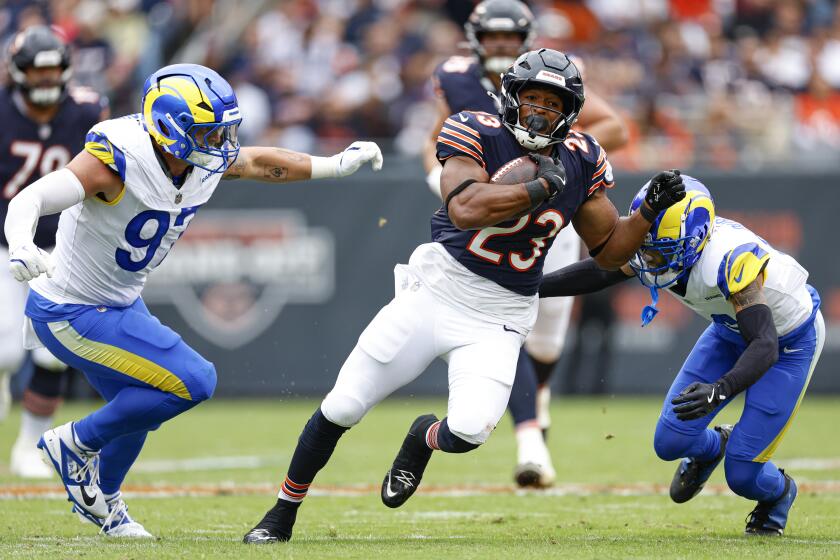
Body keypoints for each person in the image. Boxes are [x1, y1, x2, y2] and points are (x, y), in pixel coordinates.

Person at [242, 48, 685, 544]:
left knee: (470, 430)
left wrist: (646, 213)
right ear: (510, 98)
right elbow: (466, 208)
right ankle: (280, 513)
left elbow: (607, 252)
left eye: (553, 102)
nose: (540, 110)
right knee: (344, 405)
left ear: (571, 112)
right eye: (532, 97)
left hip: (502, 312)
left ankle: (422, 437)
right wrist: (537, 189)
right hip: (436, 289)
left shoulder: (582, 158)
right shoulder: (475, 129)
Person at [3, 62, 383, 538]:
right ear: (168, 127)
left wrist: (334, 165)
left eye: (223, 133)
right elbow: (28, 200)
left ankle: (106, 502)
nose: (222, 145)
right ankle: (75, 444)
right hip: (69, 308)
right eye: (209, 133)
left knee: (137, 404)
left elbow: (258, 162)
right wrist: (21, 243)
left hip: (116, 301)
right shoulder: (118, 156)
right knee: (195, 380)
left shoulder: (200, 159)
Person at [539, 176, 823, 536]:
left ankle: (779, 495)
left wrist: (720, 390)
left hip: (788, 344)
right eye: (645, 245)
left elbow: (765, 345)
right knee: (670, 441)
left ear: (694, 240)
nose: (648, 257)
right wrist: (533, 288)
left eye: (658, 249)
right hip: (729, 330)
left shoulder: (729, 258)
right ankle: (713, 445)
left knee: (742, 475)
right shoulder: (664, 246)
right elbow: (600, 272)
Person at [423, 0, 629, 487]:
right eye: (491, 37)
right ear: (474, 38)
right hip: (488, 217)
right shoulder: (455, 79)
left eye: (508, 37)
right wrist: (446, 181)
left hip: (548, 218)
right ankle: (529, 434)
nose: (499, 46)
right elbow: (433, 144)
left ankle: (535, 405)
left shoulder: (548, 78)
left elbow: (613, 128)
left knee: (547, 338)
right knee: (504, 319)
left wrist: (553, 151)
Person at [0, 25, 109, 479]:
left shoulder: (87, 109)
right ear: (18, 72)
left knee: (51, 353)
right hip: (5, 243)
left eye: (52, 72)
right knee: (4, 352)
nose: (45, 82)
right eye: (36, 72)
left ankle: (28, 446)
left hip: (64, 247)